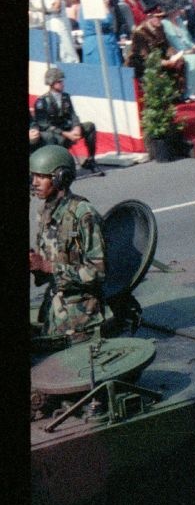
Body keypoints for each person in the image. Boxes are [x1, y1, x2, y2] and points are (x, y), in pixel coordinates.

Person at [30, 144, 107, 343]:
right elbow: (47, 270)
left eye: (42, 176)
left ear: (60, 177)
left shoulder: (83, 214)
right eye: (33, 176)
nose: (35, 182)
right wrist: (35, 265)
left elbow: (97, 272)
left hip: (81, 318)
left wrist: (48, 266)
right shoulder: (45, 212)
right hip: (54, 313)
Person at [32, 67, 97, 170]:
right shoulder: (42, 102)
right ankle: (61, 165)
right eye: (59, 81)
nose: (62, 84)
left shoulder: (65, 97)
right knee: (60, 139)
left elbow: (73, 114)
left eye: (62, 81)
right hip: (55, 132)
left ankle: (91, 159)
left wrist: (76, 127)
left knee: (90, 126)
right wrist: (67, 134)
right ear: (51, 83)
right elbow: (44, 126)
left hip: (68, 128)